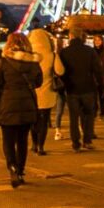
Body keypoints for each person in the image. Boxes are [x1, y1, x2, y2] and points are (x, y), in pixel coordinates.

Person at [0, 33, 43, 189]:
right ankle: (21, 170)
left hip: (7, 106)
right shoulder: (33, 62)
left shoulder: (3, 62)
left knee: (8, 141)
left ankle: (12, 167)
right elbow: (38, 82)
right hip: (27, 106)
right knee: (22, 140)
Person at [59, 27, 104, 152]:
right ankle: (87, 140)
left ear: (71, 36)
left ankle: (75, 143)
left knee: (74, 117)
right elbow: (97, 70)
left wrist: (65, 84)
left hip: (72, 89)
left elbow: (60, 71)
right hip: (88, 88)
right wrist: (100, 86)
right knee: (89, 115)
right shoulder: (89, 51)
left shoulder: (64, 52)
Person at [29, 27, 64, 156]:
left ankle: (33, 143)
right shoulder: (51, 55)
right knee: (43, 121)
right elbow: (60, 71)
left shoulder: (28, 55)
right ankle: (40, 146)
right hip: (47, 92)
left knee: (33, 120)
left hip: (31, 93)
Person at [93, 34, 104, 120]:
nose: (97, 42)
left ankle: (102, 112)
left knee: (102, 96)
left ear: (102, 41)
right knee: (94, 97)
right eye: (95, 40)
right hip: (94, 77)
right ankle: (95, 112)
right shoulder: (92, 51)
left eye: (99, 40)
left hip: (102, 77)